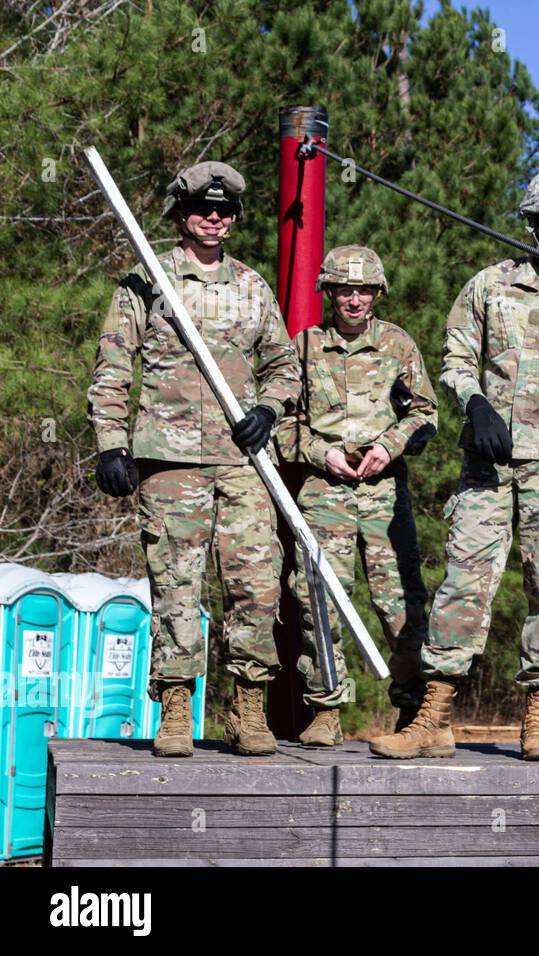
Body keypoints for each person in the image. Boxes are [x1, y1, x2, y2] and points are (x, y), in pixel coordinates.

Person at [369, 170, 539, 761]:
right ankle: (432, 719)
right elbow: (456, 356)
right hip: (489, 463)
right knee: (463, 583)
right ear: (529, 222)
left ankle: (538, 720)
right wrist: (476, 401)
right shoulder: (488, 286)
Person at [87, 161, 300, 757]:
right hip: (169, 460)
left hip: (244, 464)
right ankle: (176, 704)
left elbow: (284, 366)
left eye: (225, 210)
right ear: (181, 214)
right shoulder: (146, 280)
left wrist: (270, 409)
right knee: (177, 585)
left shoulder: (253, 287)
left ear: (234, 218)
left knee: (254, 585)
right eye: (203, 209)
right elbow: (111, 367)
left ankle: (248, 707)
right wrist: (111, 444)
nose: (214, 217)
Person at [277, 245, 438, 746]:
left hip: (384, 494)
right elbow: (280, 423)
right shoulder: (303, 346)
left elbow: (426, 414)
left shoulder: (398, 344)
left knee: (402, 604)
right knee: (318, 600)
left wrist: (389, 448)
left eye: (364, 290)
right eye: (345, 290)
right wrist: (318, 451)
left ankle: (416, 711)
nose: (354, 300)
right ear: (329, 292)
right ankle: (326, 709)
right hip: (323, 493)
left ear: (377, 294)